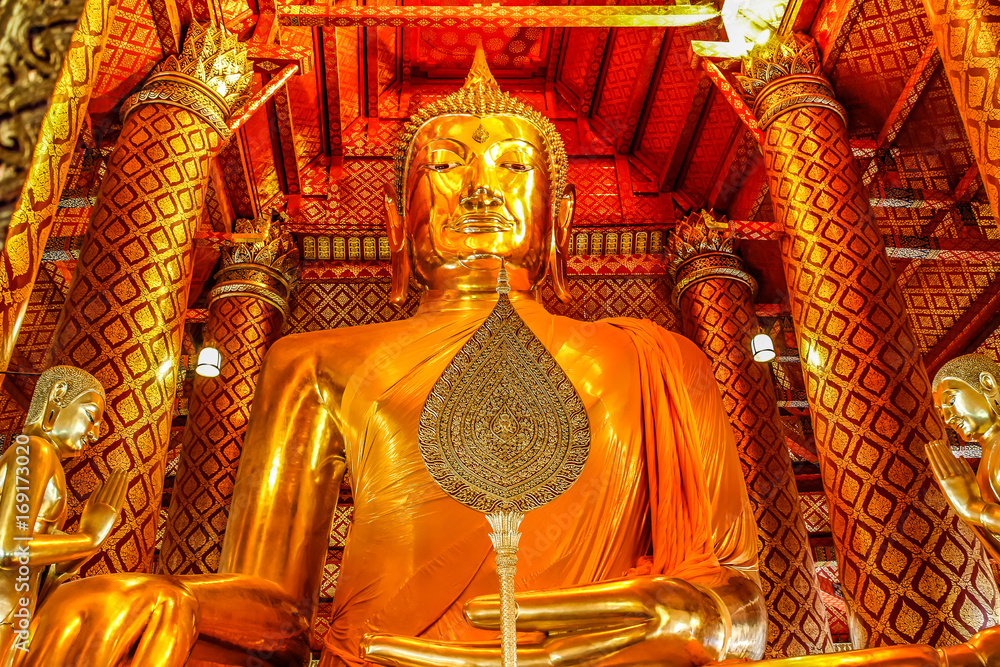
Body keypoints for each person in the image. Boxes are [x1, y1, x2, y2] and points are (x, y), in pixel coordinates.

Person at [16, 48, 764, 667]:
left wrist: (666, 611)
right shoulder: (313, 360)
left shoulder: (661, 360)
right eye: (443, 167)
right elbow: (275, 609)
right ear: (395, 223)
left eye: (511, 167)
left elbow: (740, 601)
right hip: (382, 658)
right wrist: (170, 599)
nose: (479, 188)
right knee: (114, 612)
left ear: (560, 218)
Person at [0, 366, 124, 665]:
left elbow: (44, 565)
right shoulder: (34, 449)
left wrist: (84, 539)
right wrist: (88, 539)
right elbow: (8, 549)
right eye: (92, 416)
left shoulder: (43, 458)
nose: (94, 434)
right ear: (57, 396)